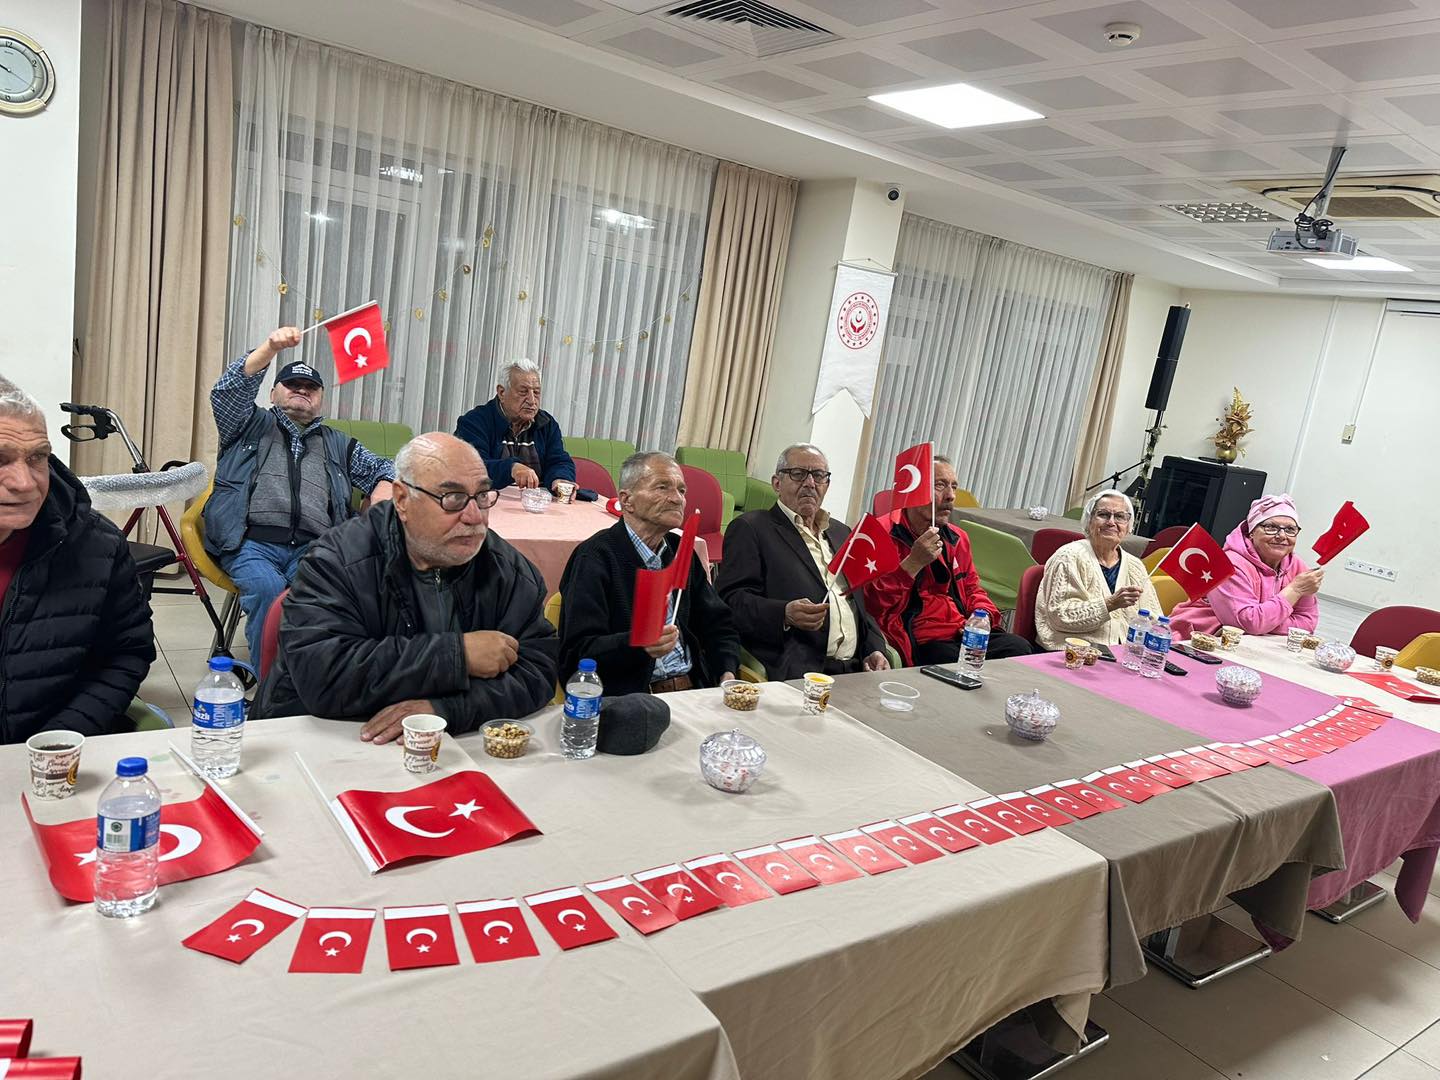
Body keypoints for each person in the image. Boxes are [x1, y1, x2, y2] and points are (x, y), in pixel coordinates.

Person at [254, 433, 558, 741]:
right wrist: (457, 656)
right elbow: (322, 676)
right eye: (452, 498)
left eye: (481, 495)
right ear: (402, 500)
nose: (474, 516)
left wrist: (446, 710)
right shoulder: (336, 561)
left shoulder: (506, 569)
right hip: (320, 737)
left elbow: (538, 670)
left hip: (443, 746)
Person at [204, 327, 395, 663]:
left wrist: (382, 488)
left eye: (311, 387)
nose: (302, 390)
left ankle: (317, 677)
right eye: (292, 384)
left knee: (332, 597)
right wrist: (269, 348)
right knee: (267, 591)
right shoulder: (246, 425)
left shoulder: (338, 443)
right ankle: (271, 688)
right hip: (250, 543)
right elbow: (227, 392)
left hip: (313, 547)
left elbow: (388, 467)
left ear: (320, 399)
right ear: (273, 392)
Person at [0, 377, 155, 744]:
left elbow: (125, 653)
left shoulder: (96, 545)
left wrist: (59, 741)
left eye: (37, 457)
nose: (25, 483)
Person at [558, 451, 738, 695]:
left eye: (682, 490)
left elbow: (718, 624)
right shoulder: (595, 557)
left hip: (695, 692)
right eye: (662, 487)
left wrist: (726, 671)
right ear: (627, 501)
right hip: (631, 699)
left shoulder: (681, 552)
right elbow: (576, 653)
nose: (677, 499)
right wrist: (637, 644)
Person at [716, 443, 889, 679]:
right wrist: (784, 613)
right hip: (800, 668)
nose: (810, 483)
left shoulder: (843, 533)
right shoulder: (752, 528)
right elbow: (731, 601)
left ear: (827, 484)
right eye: (798, 474)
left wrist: (874, 649)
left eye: (818, 475)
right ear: (777, 483)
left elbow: (859, 606)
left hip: (857, 670)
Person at [866, 455, 1032, 665]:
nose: (951, 496)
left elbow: (972, 588)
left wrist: (982, 616)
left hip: (960, 630)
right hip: (919, 638)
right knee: (952, 663)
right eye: (940, 485)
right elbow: (871, 606)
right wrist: (912, 564)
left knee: (1020, 649)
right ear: (913, 490)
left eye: (954, 487)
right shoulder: (879, 534)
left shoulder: (956, 537)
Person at [1169, 494, 1322, 639]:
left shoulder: (1297, 566)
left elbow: (1307, 624)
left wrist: (1266, 624)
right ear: (1251, 532)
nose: (1282, 536)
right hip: (1194, 642)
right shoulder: (1229, 564)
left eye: (1290, 530)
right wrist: (1294, 590)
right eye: (1270, 527)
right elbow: (1248, 623)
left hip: (1251, 644)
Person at [1034, 489, 1160, 652]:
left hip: (1124, 654)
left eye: (1120, 516)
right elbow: (1060, 617)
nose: (1111, 522)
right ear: (1089, 521)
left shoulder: (1135, 566)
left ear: (1129, 526)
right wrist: (1110, 604)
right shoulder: (1069, 557)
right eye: (1103, 515)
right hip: (1071, 652)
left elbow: (1155, 618)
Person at [454, 358, 576, 493]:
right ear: (502, 392)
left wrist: (560, 479)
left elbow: (559, 461)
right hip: (488, 500)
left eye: (536, 392)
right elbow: (472, 468)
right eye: (523, 392)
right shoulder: (474, 422)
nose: (532, 400)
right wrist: (511, 468)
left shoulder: (546, 424)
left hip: (533, 502)